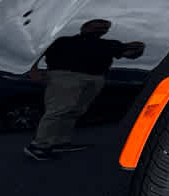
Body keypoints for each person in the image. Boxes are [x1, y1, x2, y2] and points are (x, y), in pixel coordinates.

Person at [23, 20, 140, 160]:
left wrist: (138, 47)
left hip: (95, 78)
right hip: (65, 76)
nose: (101, 29)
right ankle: (39, 146)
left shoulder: (108, 44)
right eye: (97, 26)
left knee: (75, 110)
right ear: (84, 27)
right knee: (58, 110)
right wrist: (33, 70)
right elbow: (37, 53)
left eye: (104, 28)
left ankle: (60, 142)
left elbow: (130, 54)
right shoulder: (63, 41)